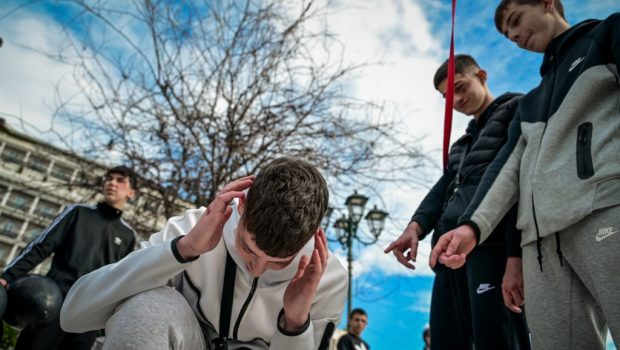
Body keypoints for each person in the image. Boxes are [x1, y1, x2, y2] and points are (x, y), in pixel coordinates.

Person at [430, 1, 620, 348]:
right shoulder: (530, 103)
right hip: (541, 247)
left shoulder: (608, 34)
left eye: (516, 21)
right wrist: (472, 227)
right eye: (506, 33)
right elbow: (507, 170)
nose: (514, 35)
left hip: (605, 211)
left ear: (548, 3)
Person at [60, 157, 348, 350]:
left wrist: (295, 324)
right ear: (241, 206)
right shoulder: (194, 227)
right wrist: (183, 250)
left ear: (313, 237)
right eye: (248, 248)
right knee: (150, 304)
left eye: (279, 262)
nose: (256, 269)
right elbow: (73, 315)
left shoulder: (327, 278)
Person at [384, 54, 530, 349]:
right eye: (447, 96)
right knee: (445, 341)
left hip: (491, 248)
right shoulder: (461, 144)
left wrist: (516, 255)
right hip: (448, 255)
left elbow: (519, 184)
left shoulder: (517, 109)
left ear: (482, 76)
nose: (456, 99)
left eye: (461, 87)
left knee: (497, 341)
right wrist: (415, 227)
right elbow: (442, 190)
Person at [0, 165, 138, 350]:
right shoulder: (78, 212)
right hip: (53, 303)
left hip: (89, 314)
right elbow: (42, 246)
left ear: (131, 193)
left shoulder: (128, 235)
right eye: (109, 178)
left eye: (120, 181)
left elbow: (123, 279)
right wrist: (8, 275)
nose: (112, 183)